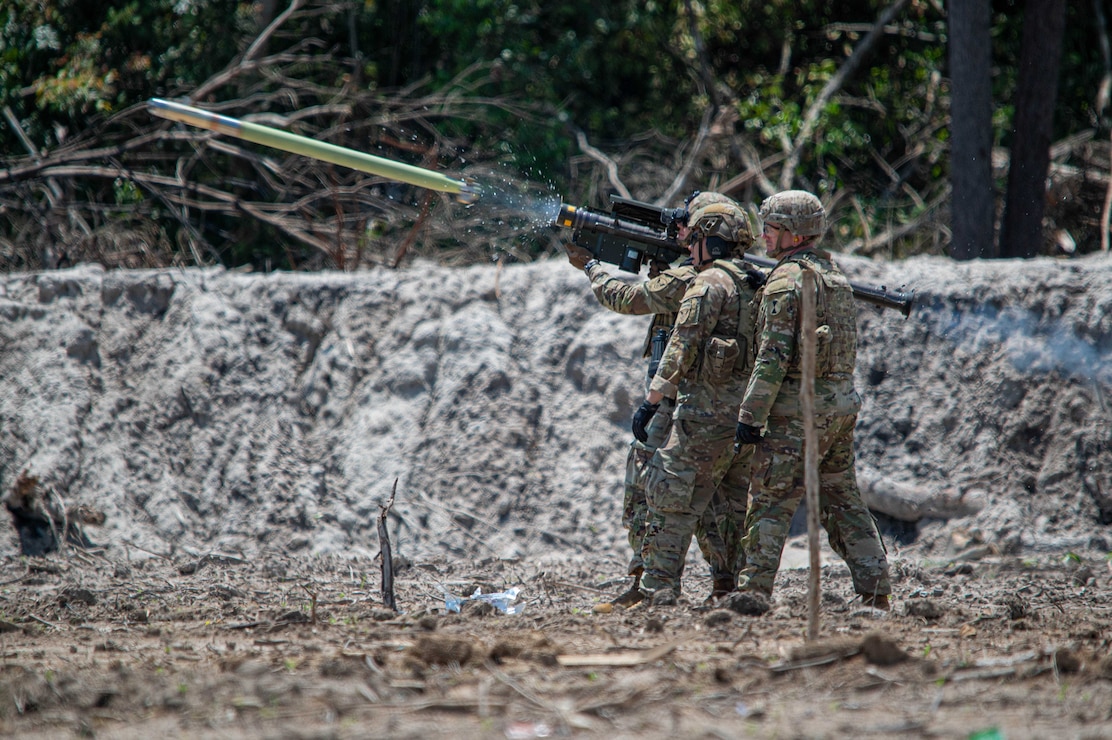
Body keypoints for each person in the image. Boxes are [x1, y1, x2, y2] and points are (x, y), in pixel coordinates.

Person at [564, 191, 743, 607]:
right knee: (716, 500)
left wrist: (590, 266)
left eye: (688, 226)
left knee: (651, 488)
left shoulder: (694, 278)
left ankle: (651, 581)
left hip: (678, 404)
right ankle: (725, 584)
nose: (680, 231)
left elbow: (625, 298)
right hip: (712, 407)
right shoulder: (726, 277)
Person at [732, 190, 891, 609]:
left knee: (770, 499)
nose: (763, 236)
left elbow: (773, 355)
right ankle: (876, 588)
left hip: (797, 413)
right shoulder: (834, 275)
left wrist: (750, 415)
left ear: (794, 234)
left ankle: (752, 593)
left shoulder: (787, 279)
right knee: (842, 500)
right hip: (838, 407)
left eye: (771, 229)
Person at [634, 198, 765, 606]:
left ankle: (658, 589)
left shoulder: (708, 284)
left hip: (703, 417)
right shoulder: (758, 283)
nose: (689, 248)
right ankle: (728, 590)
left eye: (696, 240)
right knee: (728, 509)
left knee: (670, 497)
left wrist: (652, 400)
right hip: (745, 419)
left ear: (711, 240)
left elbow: (682, 346)